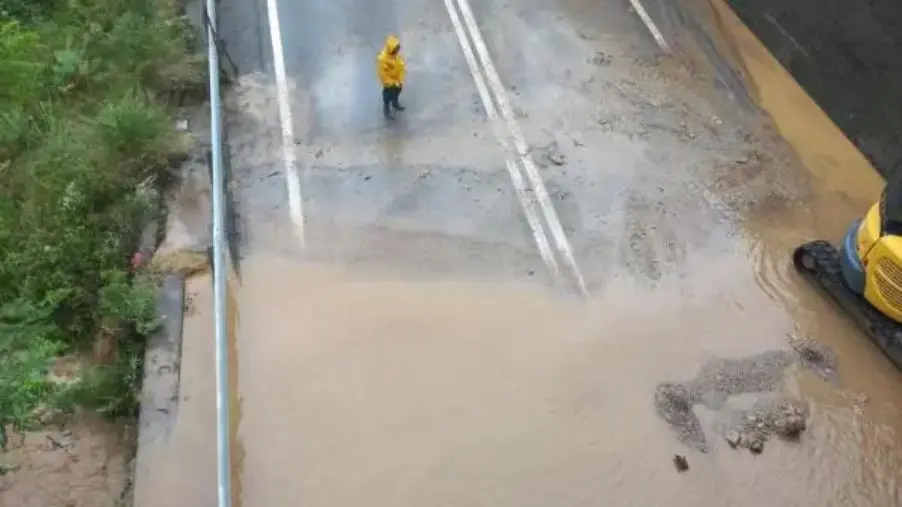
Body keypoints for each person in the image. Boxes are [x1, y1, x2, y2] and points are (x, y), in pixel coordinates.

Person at [377, 34, 406, 119]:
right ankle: (386, 110)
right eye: (396, 48)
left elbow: (401, 66)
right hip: (388, 82)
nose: (397, 50)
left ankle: (395, 103)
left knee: (397, 91)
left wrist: (400, 80)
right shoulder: (383, 59)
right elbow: (383, 75)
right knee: (387, 96)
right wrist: (391, 83)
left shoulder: (396, 56)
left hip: (397, 80)